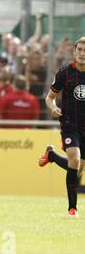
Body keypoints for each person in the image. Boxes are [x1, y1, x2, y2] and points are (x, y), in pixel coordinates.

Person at [43, 36, 85, 218]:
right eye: (80, 50)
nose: (83, 54)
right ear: (74, 52)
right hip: (69, 123)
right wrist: (53, 109)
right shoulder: (65, 73)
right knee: (74, 160)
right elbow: (49, 98)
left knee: (77, 168)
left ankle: (51, 155)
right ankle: (72, 209)